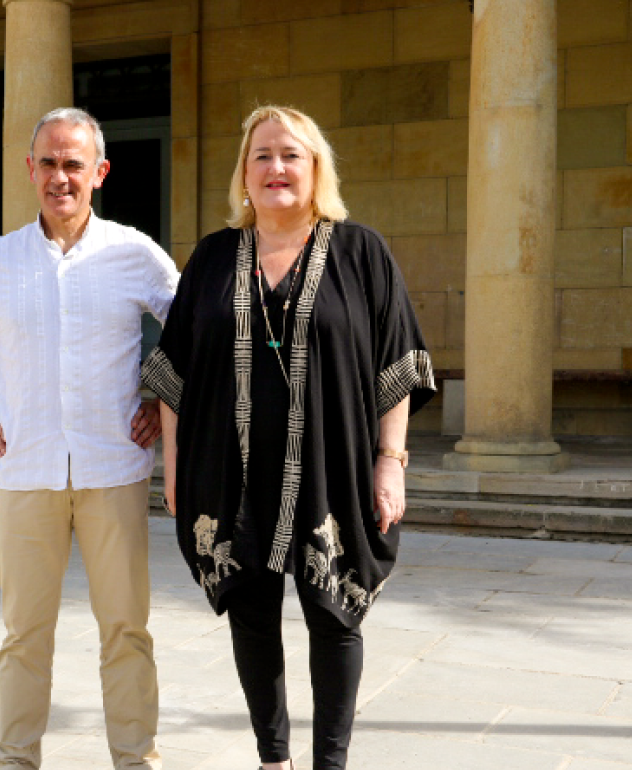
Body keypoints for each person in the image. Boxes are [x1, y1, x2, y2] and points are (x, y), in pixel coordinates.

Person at [141, 105, 435, 770]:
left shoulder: (362, 252)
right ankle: (273, 758)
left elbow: (400, 363)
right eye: (262, 155)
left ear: (315, 169)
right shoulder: (215, 257)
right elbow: (175, 369)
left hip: (333, 469)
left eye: (291, 155)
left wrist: (392, 462)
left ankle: (330, 763)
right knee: (250, 611)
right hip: (229, 469)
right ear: (244, 174)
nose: (276, 167)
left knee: (334, 618)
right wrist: (174, 467)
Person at [0, 107, 178, 770]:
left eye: (74, 164)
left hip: (113, 469)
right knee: (24, 637)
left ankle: (135, 762)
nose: (60, 177)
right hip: (26, 471)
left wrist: (162, 394)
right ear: (30, 169)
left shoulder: (134, 253)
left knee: (126, 632)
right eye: (49, 163)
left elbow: (192, 326)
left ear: (100, 172)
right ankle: (16, 763)